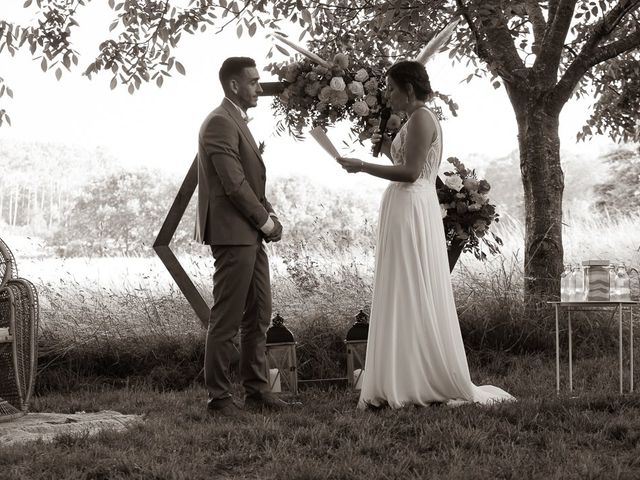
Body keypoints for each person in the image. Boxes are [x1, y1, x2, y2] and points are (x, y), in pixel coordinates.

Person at [337, 60, 514, 409]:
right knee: (402, 286)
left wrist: (361, 166)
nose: (388, 95)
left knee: (410, 284)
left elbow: (411, 171)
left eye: (391, 88)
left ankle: (419, 376)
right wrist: (383, 143)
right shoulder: (413, 119)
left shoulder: (421, 117)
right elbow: (402, 156)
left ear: (408, 89)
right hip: (404, 206)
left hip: (413, 204)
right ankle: (403, 373)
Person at [195, 56, 289, 417]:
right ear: (234, 85)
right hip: (234, 234)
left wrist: (269, 213)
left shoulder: (235, 121)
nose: (259, 88)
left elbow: (249, 181)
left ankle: (257, 391)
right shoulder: (219, 122)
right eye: (253, 82)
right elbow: (233, 185)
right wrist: (267, 223)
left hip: (250, 233)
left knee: (259, 314)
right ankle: (218, 398)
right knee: (227, 318)